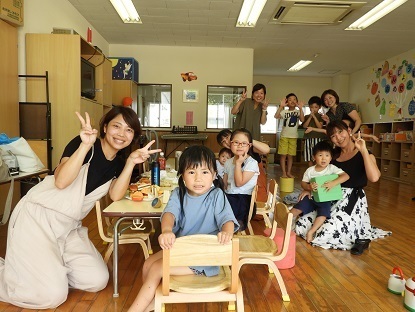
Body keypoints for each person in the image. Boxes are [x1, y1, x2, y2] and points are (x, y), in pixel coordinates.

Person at [0, 107, 160, 309]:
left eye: (128, 130)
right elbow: (61, 182)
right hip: (37, 219)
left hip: (68, 228)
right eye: (116, 126)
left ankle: (50, 270)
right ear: (104, 127)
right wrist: (85, 146)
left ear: (134, 136)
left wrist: (130, 163)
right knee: (51, 296)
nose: (121, 134)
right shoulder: (83, 145)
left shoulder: (118, 164)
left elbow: (115, 195)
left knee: (97, 279)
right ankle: (35, 275)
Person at [128, 145, 239, 312]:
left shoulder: (216, 196)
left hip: (204, 258)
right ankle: (150, 302)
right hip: (181, 250)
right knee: (148, 264)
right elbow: (169, 214)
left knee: (157, 269)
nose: (198, 179)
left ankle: (136, 309)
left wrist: (227, 232)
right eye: (192, 172)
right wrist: (166, 230)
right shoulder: (178, 193)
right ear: (182, 175)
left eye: (205, 172)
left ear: (215, 175)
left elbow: (227, 220)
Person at [294, 120, 391, 252]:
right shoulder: (332, 156)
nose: (338, 138)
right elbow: (319, 176)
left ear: (349, 131)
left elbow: (374, 177)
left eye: (341, 132)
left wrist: (363, 151)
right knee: (301, 224)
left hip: (352, 201)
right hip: (330, 196)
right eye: (333, 136)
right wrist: (309, 189)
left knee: (328, 232)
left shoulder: (365, 153)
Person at [291, 141, 350, 243]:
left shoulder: (332, 168)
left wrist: (333, 183)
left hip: (325, 199)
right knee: (296, 209)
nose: (324, 158)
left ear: (331, 158)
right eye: (320, 155)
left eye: (327, 155)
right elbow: (303, 183)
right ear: (314, 157)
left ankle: (311, 232)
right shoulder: (310, 170)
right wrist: (308, 187)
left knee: (323, 214)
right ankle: (288, 224)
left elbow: (346, 176)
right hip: (311, 197)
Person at [217, 128, 269, 202]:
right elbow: (226, 182)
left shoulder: (247, 149)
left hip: (252, 183)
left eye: (227, 138)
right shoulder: (229, 158)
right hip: (234, 193)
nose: (227, 142)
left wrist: (245, 139)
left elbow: (266, 150)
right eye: (223, 142)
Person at [223, 128, 260, 230]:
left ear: (249, 146)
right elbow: (225, 184)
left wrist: (238, 163)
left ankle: (236, 224)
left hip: (243, 199)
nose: (240, 146)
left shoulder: (252, 163)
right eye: (236, 142)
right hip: (230, 196)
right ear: (231, 144)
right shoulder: (228, 162)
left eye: (244, 143)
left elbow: (239, 183)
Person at [275, 93, 305, 178]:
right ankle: (284, 173)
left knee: (290, 156)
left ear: (297, 101)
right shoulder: (284, 111)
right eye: (290, 99)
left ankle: (288, 172)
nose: (292, 101)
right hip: (284, 136)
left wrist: (301, 109)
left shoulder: (298, 111)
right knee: (283, 155)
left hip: (294, 136)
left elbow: (302, 120)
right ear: (287, 102)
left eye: (294, 99)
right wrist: (281, 106)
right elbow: (276, 116)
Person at [305, 119, 380, 143]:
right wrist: (312, 128)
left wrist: (371, 136)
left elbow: (360, 134)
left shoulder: (350, 135)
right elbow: (324, 130)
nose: (338, 137)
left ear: (349, 130)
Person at [301, 96, 327, 167]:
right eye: (312, 107)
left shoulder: (321, 116)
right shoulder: (306, 116)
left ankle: (317, 171)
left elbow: (320, 127)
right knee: (309, 157)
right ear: (309, 107)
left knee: (317, 156)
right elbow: (304, 126)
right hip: (308, 138)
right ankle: (311, 172)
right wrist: (310, 117)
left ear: (319, 107)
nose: (313, 109)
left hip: (318, 138)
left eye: (316, 107)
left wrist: (314, 117)